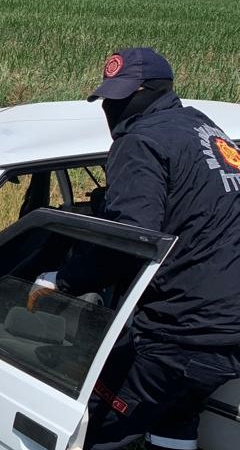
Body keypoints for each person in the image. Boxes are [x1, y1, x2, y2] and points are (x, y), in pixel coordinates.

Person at [29, 47, 240, 450]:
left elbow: (131, 241)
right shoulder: (203, 127)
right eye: (108, 97)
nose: (111, 107)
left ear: (153, 90)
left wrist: (64, 280)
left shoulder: (140, 141)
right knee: (175, 415)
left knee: (92, 424)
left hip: (183, 333)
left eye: (122, 96)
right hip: (225, 329)